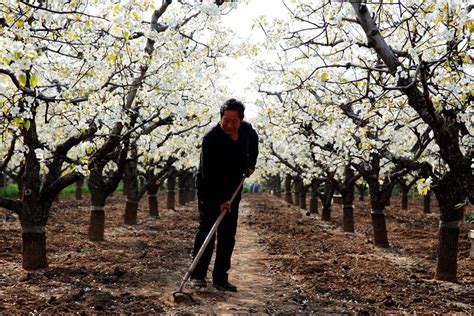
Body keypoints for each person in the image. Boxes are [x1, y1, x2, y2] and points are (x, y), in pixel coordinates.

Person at [190, 98, 259, 292]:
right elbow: (209, 173)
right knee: (207, 229)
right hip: (209, 187)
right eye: (225, 120)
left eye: (233, 121)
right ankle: (197, 275)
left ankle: (221, 278)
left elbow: (254, 144)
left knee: (228, 234)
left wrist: (250, 164)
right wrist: (221, 200)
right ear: (221, 118)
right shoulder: (211, 139)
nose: (229, 124)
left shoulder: (247, 131)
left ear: (241, 120)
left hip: (233, 185)